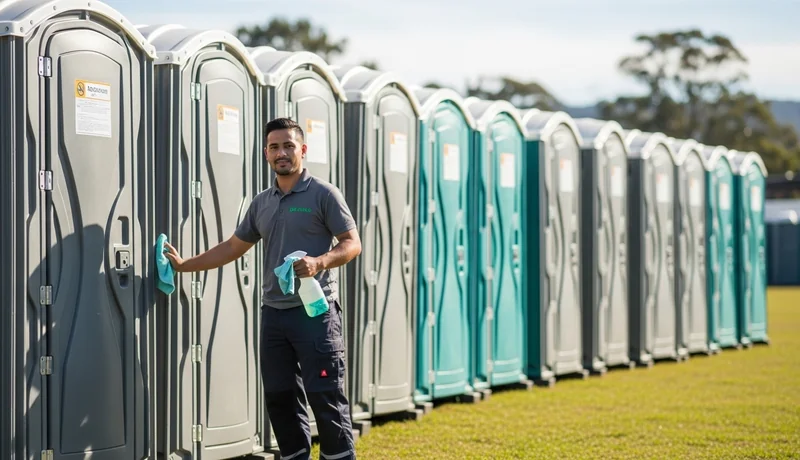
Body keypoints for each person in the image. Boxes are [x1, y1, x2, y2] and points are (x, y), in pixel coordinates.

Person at [164, 117, 361, 460]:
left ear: (302, 150)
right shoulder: (262, 202)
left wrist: (320, 262)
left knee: (324, 396)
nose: (281, 153)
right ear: (266, 154)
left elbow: (352, 243)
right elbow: (232, 247)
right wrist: (184, 265)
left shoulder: (323, 194)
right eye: (274, 147)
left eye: (288, 146)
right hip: (274, 315)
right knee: (280, 397)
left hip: (316, 313)